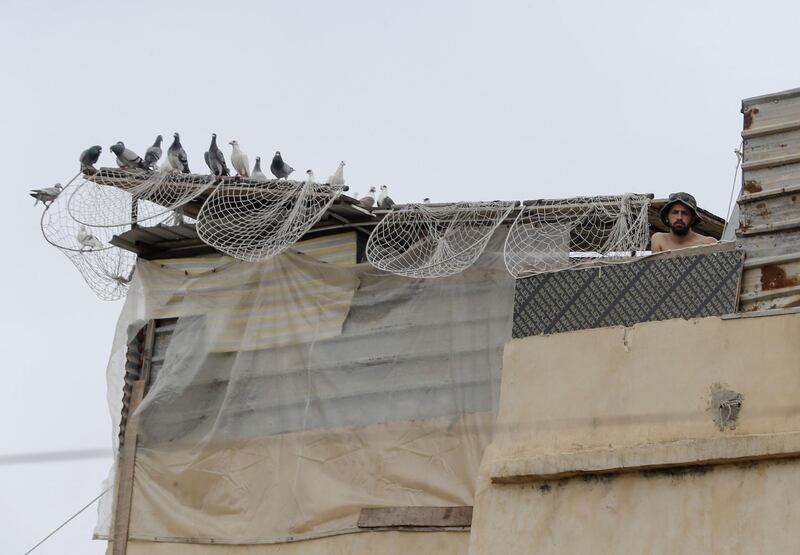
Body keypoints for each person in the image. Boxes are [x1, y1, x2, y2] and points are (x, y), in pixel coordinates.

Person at [650, 192, 717, 252]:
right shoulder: (659, 240)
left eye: (685, 213)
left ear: (693, 219)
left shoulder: (709, 243)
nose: (679, 218)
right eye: (675, 212)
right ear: (666, 217)